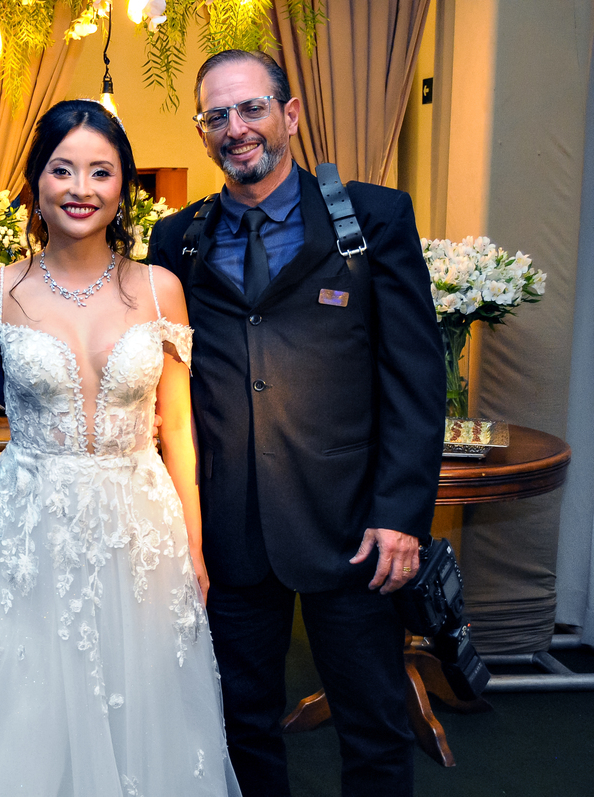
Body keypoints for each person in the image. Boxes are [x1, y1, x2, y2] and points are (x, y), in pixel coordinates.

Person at [0, 99, 240, 796]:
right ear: (36, 183)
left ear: (124, 186)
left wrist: (195, 549)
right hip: (25, 530)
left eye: (101, 172)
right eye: (63, 169)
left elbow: (178, 429)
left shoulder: (160, 289)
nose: (81, 188)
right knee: (21, 705)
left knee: (140, 705)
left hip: (140, 530)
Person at [148, 50, 445, 796]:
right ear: (202, 131)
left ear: (291, 114)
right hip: (229, 529)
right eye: (216, 116)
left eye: (251, 108)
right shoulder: (177, 242)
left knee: (373, 725)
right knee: (240, 725)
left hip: (353, 527)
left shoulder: (372, 219)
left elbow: (416, 380)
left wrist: (401, 515)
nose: (236, 128)